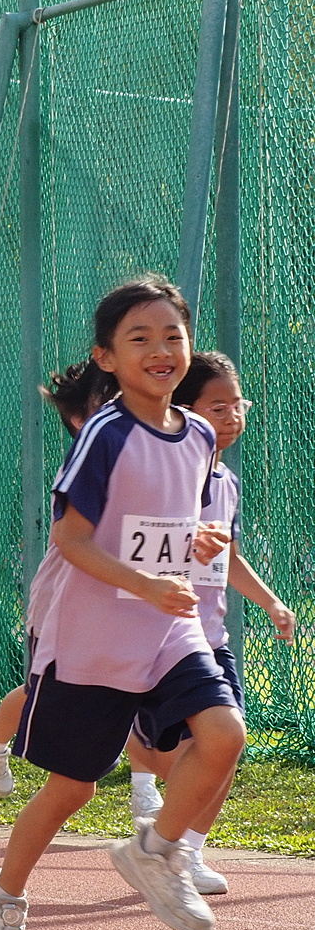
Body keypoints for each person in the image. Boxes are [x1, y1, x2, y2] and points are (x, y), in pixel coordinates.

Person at [0, 276, 245, 930]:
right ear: (108, 357)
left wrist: (195, 540)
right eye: (139, 338)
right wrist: (145, 581)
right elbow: (72, 538)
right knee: (73, 787)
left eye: (173, 335)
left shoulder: (199, 434)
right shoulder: (105, 434)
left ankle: (157, 852)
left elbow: (165, 520)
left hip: (167, 627)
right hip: (90, 634)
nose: (160, 349)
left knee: (224, 734)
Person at [113, 350, 293, 893]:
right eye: (219, 407)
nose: (233, 416)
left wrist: (271, 602)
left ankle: (183, 852)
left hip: (209, 637)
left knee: (225, 743)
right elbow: (125, 546)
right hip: (155, 637)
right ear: (185, 410)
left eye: (239, 405)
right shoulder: (160, 473)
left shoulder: (227, 483)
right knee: (169, 754)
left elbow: (228, 558)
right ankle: (140, 778)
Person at [0, 359, 116, 797]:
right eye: (111, 400)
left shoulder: (151, 450)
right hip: (66, 598)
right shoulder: (88, 462)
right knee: (44, 690)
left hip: (120, 600)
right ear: (81, 420)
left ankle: (146, 781)